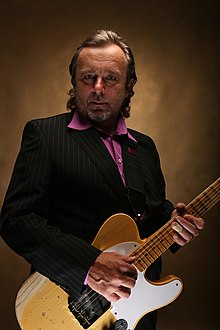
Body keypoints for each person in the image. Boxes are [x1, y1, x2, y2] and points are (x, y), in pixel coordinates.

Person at [0, 30, 204, 329]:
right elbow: (16, 220)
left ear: (129, 84)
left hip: (134, 309)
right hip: (69, 305)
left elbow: (147, 215)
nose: (98, 88)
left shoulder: (144, 146)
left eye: (110, 78)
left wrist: (175, 223)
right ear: (74, 83)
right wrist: (88, 265)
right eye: (87, 78)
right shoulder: (45, 135)